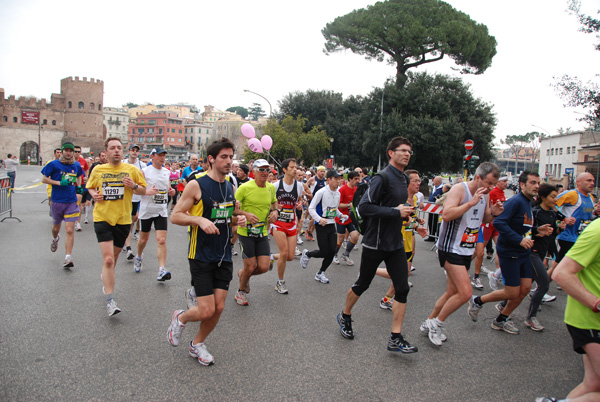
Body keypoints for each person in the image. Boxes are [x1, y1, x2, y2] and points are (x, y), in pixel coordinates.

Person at [167, 138, 245, 366]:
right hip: (200, 254)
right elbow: (176, 215)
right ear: (211, 159)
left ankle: (197, 344)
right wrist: (198, 219)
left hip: (224, 255)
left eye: (231, 156)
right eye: (224, 157)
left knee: (218, 307)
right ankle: (180, 317)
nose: (229, 161)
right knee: (205, 309)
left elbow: (224, 217)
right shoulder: (196, 185)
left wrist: (236, 219)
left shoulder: (230, 185)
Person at [337, 136, 417, 353]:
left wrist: (404, 215)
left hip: (395, 243)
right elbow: (364, 208)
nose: (407, 154)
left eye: (409, 151)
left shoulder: (402, 179)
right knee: (363, 283)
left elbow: (394, 207)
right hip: (375, 242)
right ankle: (345, 316)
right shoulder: (382, 177)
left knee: (402, 288)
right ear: (391, 153)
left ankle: (395, 337)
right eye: (402, 150)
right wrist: (395, 212)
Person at [420, 162, 502, 346]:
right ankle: (437, 324)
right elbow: (447, 215)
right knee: (465, 293)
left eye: (493, 185)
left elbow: (483, 218)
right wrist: (471, 202)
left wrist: (494, 214)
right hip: (450, 248)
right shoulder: (460, 189)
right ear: (478, 177)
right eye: (488, 183)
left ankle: (430, 321)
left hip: (467, 248)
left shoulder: (485, 195)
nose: (490, 188)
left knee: (452, 292)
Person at [467, 171, 553, 334]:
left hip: (523, 253)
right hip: (510, 251)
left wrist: (536, 230)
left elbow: (521, 227)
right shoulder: (515, 201)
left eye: (537, 183)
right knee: (512, 291)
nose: (536, 186)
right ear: (522, 185)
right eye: (532, 183)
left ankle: (501, 320)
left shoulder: (529, 202)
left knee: (525, 288)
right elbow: (499, 222)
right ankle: (477, 300)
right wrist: (519, 240)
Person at [86, 137, 147, 317]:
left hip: (123, 219)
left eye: (119, 148)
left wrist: (133, 185)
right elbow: (90, 187)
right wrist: (94, 195)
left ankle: (106, 275)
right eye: (112, 148)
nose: (117, 151)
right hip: (102, 217)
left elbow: (143, 190)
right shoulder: (98, 169)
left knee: (113, 257)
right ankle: (110, 300)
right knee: (108, 260)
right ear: (106, 152)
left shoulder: (132, 170)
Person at [542, 219, 600, 402]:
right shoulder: (598, 231)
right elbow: (562, 273)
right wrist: (597, 304)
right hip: (590, 320)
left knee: (593, 385)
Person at [234, 159, 278, 306]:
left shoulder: (271, 188)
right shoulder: (244, 188)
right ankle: (240, 291)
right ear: (254, 172)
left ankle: (242, 275)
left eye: (267, 170)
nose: (265, 172)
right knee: (251, 265)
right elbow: (233, 209)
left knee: (264, 266)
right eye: (262, 170)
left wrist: (275, 211)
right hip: (246, 232)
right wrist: (245, 214)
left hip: (262, 231)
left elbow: (274, 202)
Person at [300, 170, 348, 284]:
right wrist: (319, 219)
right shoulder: (321, 192)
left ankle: (320, 273)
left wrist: (341, 215)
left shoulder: (338, 193)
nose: (338, 181)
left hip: (332, 225)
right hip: (321, 225)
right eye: (335, 179)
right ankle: (307, 254)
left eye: (339, 179)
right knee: (324, 251)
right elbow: (311, 208)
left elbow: (334, 208)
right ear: (329, 180)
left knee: (332, 251)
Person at [134, 148, 176, 281]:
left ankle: (161, 269)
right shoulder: (144, 171)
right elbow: (136, 190)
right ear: (152, 156)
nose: (162, 158)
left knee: (161, 240)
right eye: (159, 155)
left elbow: (167, 186)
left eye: (164, 155)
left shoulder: (166, 172)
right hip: (147, 210)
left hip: (161, 211)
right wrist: (147, 192)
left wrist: (171, 191)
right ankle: (139, 256)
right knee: (143, 240)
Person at [41, 143, 85, 268]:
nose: (69, 153)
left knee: (70, 229)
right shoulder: (53, 164)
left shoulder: (76, 164)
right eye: (66, 150)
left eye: (71, 150)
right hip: (57, 201)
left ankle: (68, 257)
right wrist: (59, 182)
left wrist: (79, 187)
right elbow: (44, 179)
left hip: (71, 201)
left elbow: (78, 177)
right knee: (56, 228)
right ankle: (55, 238)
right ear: (62, 151)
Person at [548, 172, 596, 281]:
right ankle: (540, 287)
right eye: (588, 180)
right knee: (558, 266)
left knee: (568, 266)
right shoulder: (571, 194)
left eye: (593, 181)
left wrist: (595, 213)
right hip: (568, 237)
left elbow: (587, 216)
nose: (592, 183)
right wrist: (564, 218)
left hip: (583, 238)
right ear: (578, 182)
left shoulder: (591, 198)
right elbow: (551, 204)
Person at [270, 158, 305, 294]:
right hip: (278, 223)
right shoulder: (276, 186)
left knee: (290, 256)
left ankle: (272, 257)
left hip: (291, 223)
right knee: (284, 254)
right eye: (292, 167)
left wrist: (300, 206)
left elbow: (299, 201)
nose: (295, 169)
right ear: (284, 169)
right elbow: (270, 204)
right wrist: (274, 208)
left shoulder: (299, 186)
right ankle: (280, 282)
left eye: (296, 167)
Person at [122, 144, 147, 259]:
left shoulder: (142, 166)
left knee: (133, 219)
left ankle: (125, 236)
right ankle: (128, 248)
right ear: (129, 151)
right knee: (127, 221)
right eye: (133, 150)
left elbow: (145, 182)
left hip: (136, 198)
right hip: (123, 197)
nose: (135, 152)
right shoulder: (122, 163)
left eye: (137, 150)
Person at [333, 171, 360, 266]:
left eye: (358, 178)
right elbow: (337, 205)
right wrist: (349, 205)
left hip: (352, 217)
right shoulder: (342, 190)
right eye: (355, 179)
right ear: (349, 179)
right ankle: (334, 255)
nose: (358, 181)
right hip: (342, 217)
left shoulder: (356, 189)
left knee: (355, 236)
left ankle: (346, 254)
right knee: (340, 238)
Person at [73, 145, 89, 232]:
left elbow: (87, 169)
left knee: (78, 202)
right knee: (71, 203)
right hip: (70, 184)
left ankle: (78, 222)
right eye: (75, 151)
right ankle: (70, 219)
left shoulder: (83, 161)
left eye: (79, 152)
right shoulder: (68, 161)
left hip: (80, 184)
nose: (77, 153)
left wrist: (86, 176)